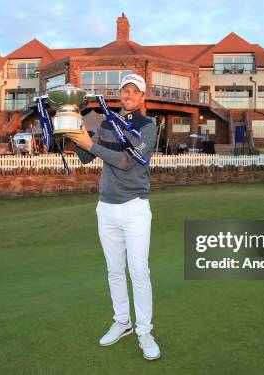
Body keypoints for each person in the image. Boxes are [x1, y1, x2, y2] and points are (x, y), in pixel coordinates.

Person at [66, 73, 161, 361]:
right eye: (125, 91)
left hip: (134, 207)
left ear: (143, 96)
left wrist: (89, 143)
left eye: (134, 91)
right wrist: (71, 134)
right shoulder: (108, 123)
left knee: (138, 271)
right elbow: (86, 157)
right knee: (114, 270)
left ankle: (145, 331)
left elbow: (124, 161)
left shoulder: (148, 127)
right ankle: (123, 323)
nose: (128, 95)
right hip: (106, 207)